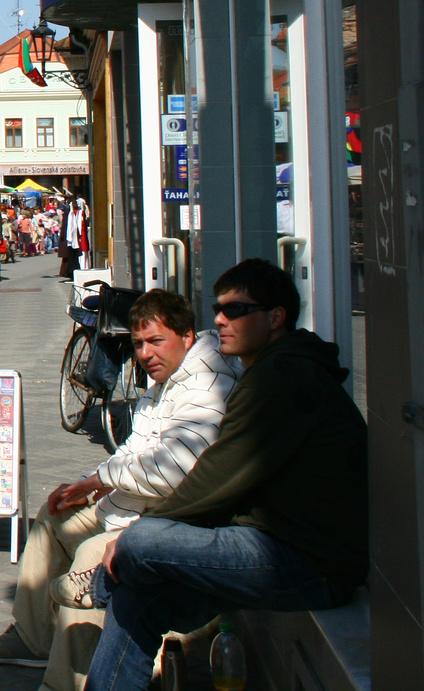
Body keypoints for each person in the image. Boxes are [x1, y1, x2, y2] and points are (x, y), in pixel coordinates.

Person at [74, 260, 368, 691]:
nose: (220, 320)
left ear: (275, 317)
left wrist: (142, 536)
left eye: (235, 311)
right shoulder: (268, 369)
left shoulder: (283, 376)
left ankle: (91, 584)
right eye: (217, 309)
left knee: (138, 541)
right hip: (271, 541)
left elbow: (219, 474)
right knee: (135, 602)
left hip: (309, 561)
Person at [0, 290, 236, 686]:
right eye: (139, 343)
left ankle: (68, 680)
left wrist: (102, 480)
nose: (145, 354)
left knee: (92, 559)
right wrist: (87, 484)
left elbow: (175, 471)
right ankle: (32, 637)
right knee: (53, 514)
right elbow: (135, 446)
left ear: (187, 336)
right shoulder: (163, 381)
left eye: (156, 341)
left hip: (169, 518)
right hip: (133, 503)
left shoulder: (207, 384)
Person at [59, 196, 89, 277]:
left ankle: (71, 271)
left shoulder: (76, 213)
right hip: (72, 238)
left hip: (74, 238)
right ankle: (69, 271)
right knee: (71, 256)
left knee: (72, 256)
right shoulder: (71, 213)